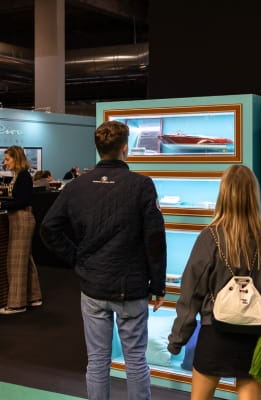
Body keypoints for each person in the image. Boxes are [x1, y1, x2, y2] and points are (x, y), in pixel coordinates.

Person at [40, 120, 167, 400]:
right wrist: (158, 285)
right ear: (125, 148)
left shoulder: (78, 186)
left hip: (93, 285)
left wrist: (76, 258)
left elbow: (49, 228)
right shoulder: (142, 185)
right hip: (131, 287)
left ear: (98, 149)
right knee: (135, 361)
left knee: (97, 361)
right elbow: (155, 238)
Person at [167, 165, 261, 400]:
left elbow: (190, 295)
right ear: (254, 197)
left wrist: (177, 340)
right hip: (253, 339)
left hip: (214, 333)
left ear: (223, 195)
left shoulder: (209, 237)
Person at [0, 146, 42, 315]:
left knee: (15, 261)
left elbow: (22, 201)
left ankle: (17, 304)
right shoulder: (21, 175)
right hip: (21, 218)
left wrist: (2, 204)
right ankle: (34, 297)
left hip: (21, 219)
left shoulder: (23, 176)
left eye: (7, 159)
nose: (5, 163)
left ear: (16, 158)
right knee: (25, 259)